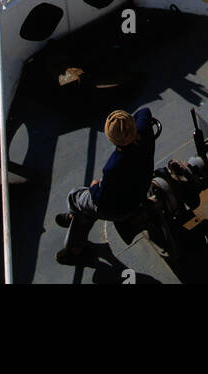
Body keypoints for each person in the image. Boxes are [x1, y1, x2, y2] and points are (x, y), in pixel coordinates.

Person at [57, 107, 156, 264]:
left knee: (75, 196)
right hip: (139, 190)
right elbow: (144, 111)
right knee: (86, 209)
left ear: (113, 140)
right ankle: (75, 225)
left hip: (122, 208)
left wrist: (94, 186)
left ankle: (74, 245)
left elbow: (101, 199)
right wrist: (125, 122)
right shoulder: (145, 132)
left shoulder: (113, 167)